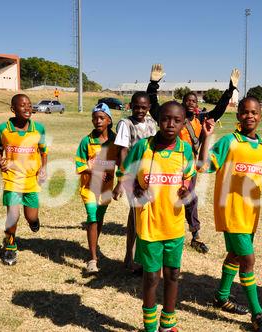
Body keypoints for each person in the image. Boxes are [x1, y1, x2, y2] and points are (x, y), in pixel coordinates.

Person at [197, 96, 262, 332]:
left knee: (236, 255)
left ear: (260, 115)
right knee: (248, 259)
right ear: (238, 116)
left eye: (254, 112)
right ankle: (257, 316)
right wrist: (206, 137)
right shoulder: (229, 142)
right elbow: (204, 165)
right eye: (245, 112)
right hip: (231, 210)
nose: (250, 116)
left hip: (251, 212)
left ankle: (221, 296)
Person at [121, 100, 195, 332]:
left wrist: (187, 190)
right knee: (152, 277)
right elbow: (126, 174)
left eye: (176, 120)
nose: (170, 124)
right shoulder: (143, 147)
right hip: (149, 225)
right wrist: (135, 190)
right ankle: (150, 327)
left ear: (184, 123)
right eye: (165, 119)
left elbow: (190, 178)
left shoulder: (186, 149)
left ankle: (168, 324)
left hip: (173, 223)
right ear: (157, 120)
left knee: (173, 274)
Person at [149, 68, 240, 254]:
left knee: (189, 196)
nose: (191, 103)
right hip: (168, 162)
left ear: (197, 104)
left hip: (188, 165)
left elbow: (220, 108)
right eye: (188, 100)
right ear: (183, 103)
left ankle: (195, 234)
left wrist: (231, 88)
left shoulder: (201, 118)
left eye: (194, 101)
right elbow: (154, 108)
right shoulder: (174, 119)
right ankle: (161, 229)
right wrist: (153, 84)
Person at [112, 64, 161, 275]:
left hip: (150, 176)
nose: (140, 111)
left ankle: (138, 258)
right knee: (135, 217)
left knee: (145, 216)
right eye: (137, 107)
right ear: (131, 106)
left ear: (149, 107)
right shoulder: (126, 124)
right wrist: (122, 180)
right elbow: (122, 151)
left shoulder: (151, 122)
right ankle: (131, 258)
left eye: (144, 107)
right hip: (134, 177)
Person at [0, 94, 47, 266]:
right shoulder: (3, 129)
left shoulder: (39, 128)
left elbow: (43, 151)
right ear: (13, 109)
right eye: (22, 105)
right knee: (13, 215)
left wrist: (43, 168)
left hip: (31, 179)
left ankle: (34, 222)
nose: (27, 108)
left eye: (29, 105)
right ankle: (10, 248)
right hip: (12, 179)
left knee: (31, 217)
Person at [75, 103, 119, 274]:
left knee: (99, 219)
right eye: (94, 118)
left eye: (101, 118)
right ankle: (92, 259)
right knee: (92, 217)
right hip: (89, 188)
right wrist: (94, 170)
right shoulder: (87, 141)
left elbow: (121, 161)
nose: (97, 121)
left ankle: (94, 244)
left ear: (109, 120)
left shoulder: (116, 141)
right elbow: (79, 162)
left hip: (106, 189)